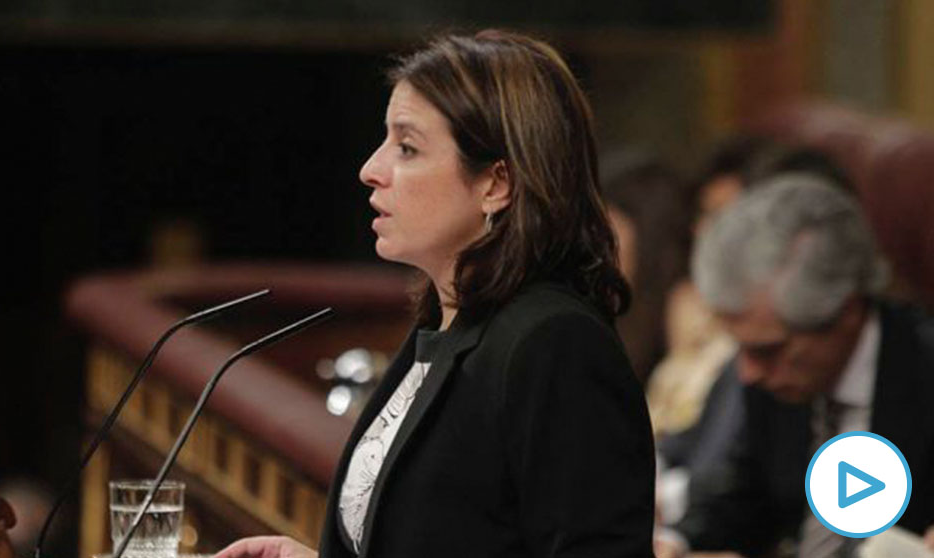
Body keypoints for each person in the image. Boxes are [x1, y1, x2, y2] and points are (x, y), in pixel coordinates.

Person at [215, 30, 655, 558]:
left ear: (496, 184)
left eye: (407, 147)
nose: (370, 170)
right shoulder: (446, 325)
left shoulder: (554, 342)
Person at [655, 174, 934, 558]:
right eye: (741, 348)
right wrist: (675, 544)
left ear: (846, 312)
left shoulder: (922, 372)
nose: (747, 373)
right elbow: (741, 497)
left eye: (768, 351)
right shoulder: (775, 380)